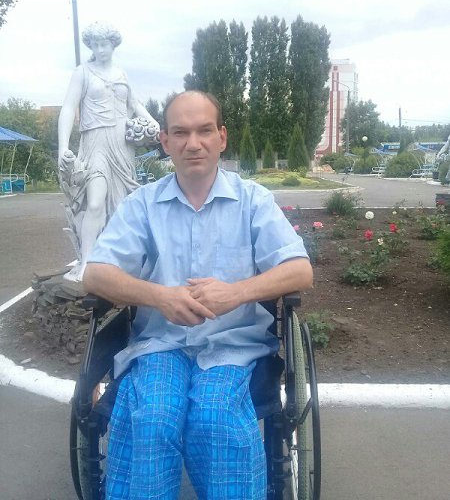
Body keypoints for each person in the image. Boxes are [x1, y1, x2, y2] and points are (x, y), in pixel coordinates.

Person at [83, 90, 313, 500]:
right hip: (161, 344)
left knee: (215, 418)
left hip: (233, 347)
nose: (194, 143)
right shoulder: (142, 205)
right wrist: (160, 297)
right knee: (154, 418)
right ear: (165, 141)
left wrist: (236, 293)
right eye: (181, 132)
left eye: (204, 130)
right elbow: (96, 274)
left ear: (221, 137)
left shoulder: (252, 201)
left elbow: (300, 270)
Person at [58, 21, 159, 281]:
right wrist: (63, 147)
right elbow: (68, 108)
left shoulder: (121, 73)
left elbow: (135, 103)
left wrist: (154, 123)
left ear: (113, 45)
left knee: (123, 207)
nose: (100, 49)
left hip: (122, 146)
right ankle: (87, 263)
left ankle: (117, 261)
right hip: (95, 144)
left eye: (104, 44)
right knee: (94, 203)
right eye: (95, 45)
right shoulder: (82, 72)